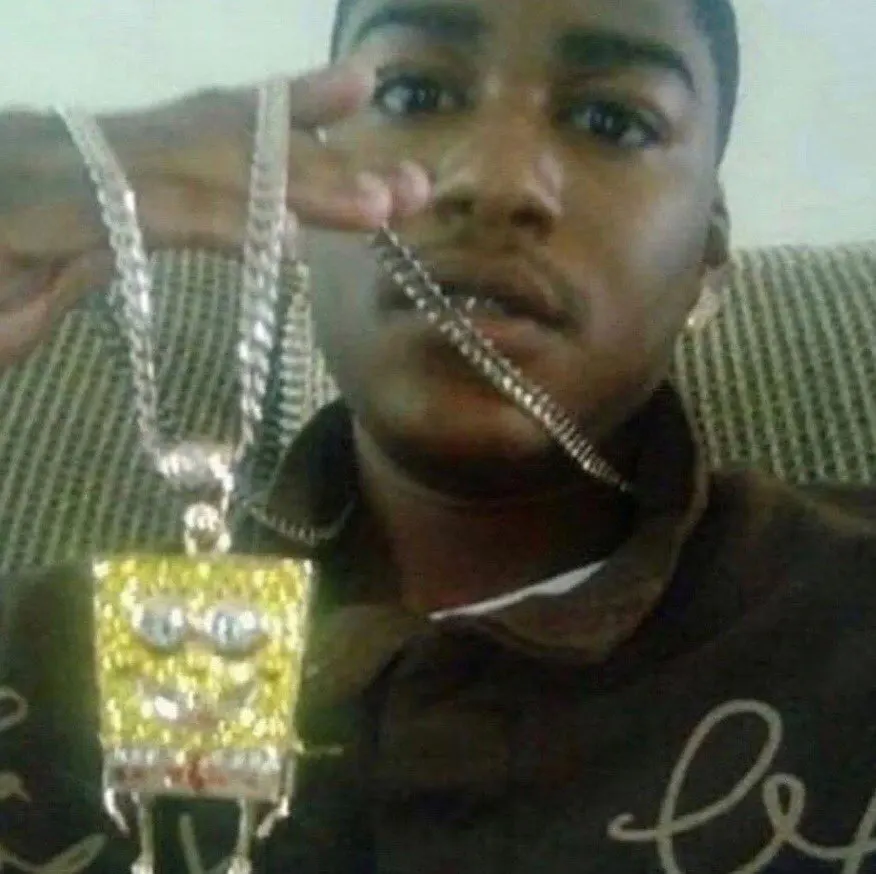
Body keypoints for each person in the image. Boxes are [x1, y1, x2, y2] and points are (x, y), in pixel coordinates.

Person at [2, 0, 876, 872]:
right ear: (295, 193)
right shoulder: (34, 661)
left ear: (709, 253)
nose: (493, 182)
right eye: (416, 94)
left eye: (612, 120)